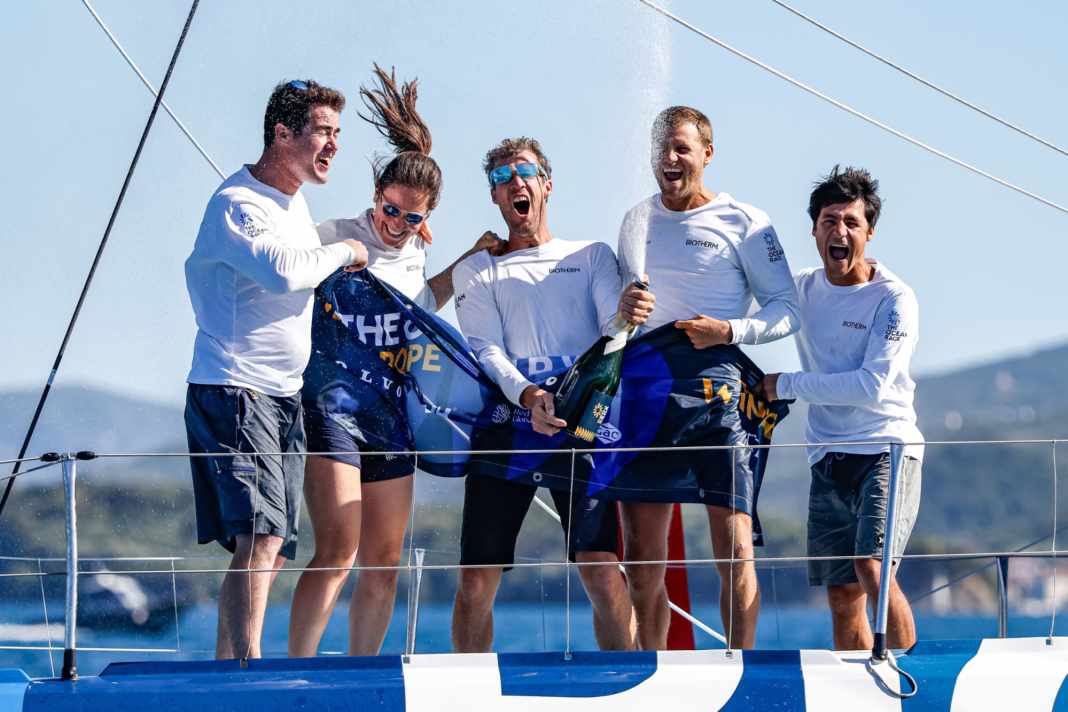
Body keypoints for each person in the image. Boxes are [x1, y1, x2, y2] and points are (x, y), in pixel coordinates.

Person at [287, 65, 500, 657]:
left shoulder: (411, 256)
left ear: (426, 217)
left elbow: (421, 305)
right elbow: (285, 279)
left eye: (411, 218)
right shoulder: (330, 234)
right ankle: (295, 668)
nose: (397, 225)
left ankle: (360, 674)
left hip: (392, 415)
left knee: (383, 561)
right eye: (389, 211)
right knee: (338, 549)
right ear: (375, 195)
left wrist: (469, 258)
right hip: (332, 407)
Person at [183, 79, 368, 660]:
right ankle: (244, 673)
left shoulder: (293, 201)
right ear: (282, 134)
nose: (334, 145)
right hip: (237, 388)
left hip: (281, 395)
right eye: (323, 132)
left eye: (339, 134)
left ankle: (226, 668)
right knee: (260, 536)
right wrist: (347, 251)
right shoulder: (237, 204)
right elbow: (286, 272)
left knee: (275, 546)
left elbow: (303, 256)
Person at [617, 106, 799, 649]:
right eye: (661, 150)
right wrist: (621, 307)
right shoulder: (635, 219)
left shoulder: (745, 220)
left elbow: (787, 308)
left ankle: (738, 667)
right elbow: (617, 315)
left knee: (735, 548)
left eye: (680, 148)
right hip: (646, 395)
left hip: (721, 396)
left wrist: (729, 329)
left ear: (706, 154)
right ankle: (644, 675)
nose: (669, 159)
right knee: (643, 559)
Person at [450, 137, 635, 652]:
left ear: (546, 185)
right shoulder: (476, 269)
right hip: (510, 427)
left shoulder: (592, 256)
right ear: (494, 198)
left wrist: (629, 309)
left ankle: (626, 684)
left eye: (525, 172)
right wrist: (530, 396)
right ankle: (467, 696)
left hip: (580, 426)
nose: (515, 184)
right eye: (501, 179)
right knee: (475, 583)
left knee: (602, 571)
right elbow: (486, 349)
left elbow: (610, 329)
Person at [761, 166, 923, 650]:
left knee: (872, 568)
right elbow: (748, 314)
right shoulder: (802, 290)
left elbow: (872, 385)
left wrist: (783, 384)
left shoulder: (893, 298)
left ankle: (913, 684)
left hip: (885, 449)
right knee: (841, 593)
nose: (840, 232)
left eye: (852, 222)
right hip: (827, 455)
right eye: (829, 221)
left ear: (869, 232)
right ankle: (854, 695)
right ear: (813, 230)